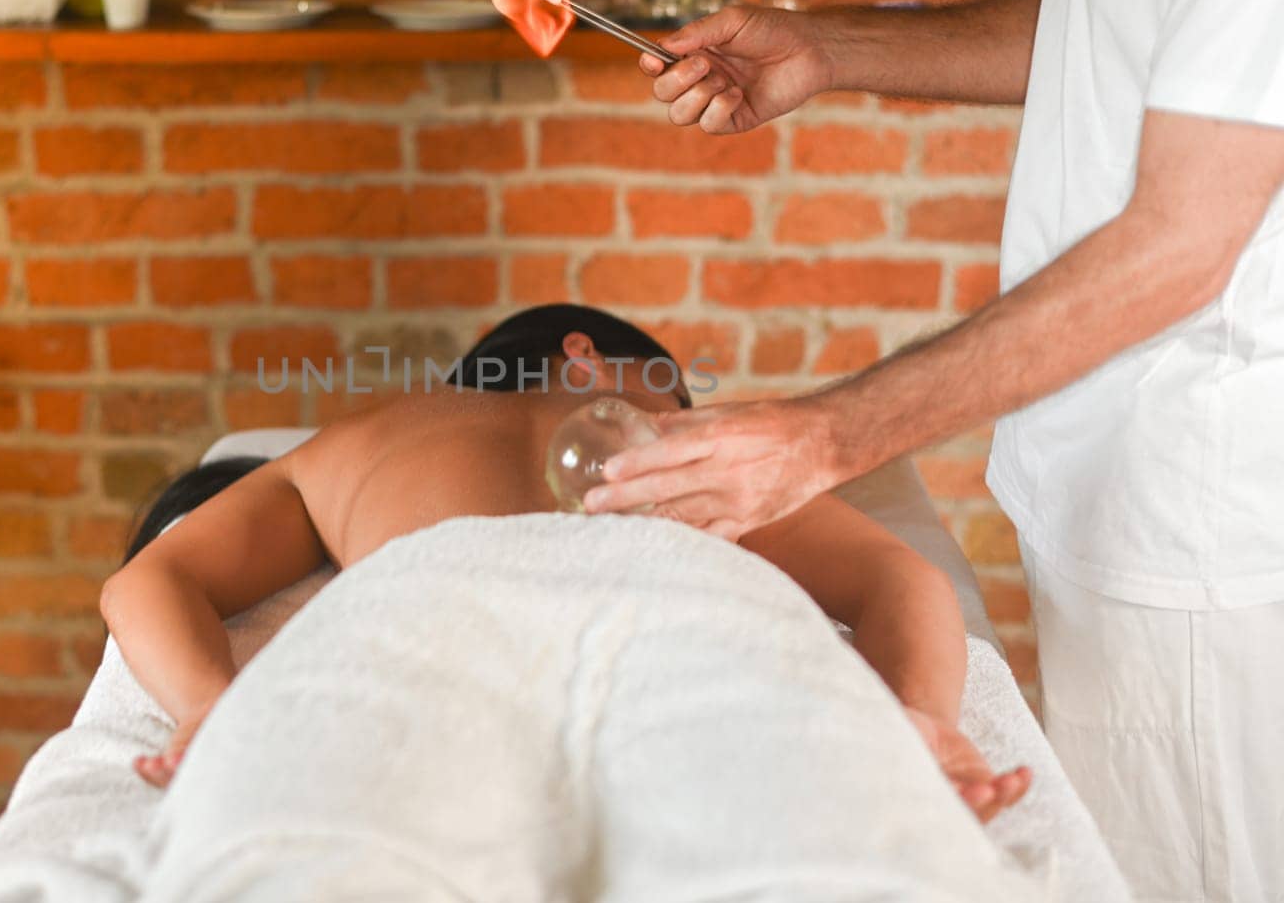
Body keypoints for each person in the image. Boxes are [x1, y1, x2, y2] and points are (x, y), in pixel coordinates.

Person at [587, 0, 1284, 899]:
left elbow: (1183, 242)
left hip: (1201, 522)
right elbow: (1112, 22)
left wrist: (823, 437)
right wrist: (826, 49)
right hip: (1102, 484)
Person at [100, 303, 1029, 821]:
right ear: (583, 355)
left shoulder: (356, 439)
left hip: (432, 661)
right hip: (675, 654)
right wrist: (916, 720)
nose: (686, 405)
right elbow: (900, 578)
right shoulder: (681, 443)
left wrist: (213, 714)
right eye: (674, 384)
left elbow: (146, 581)